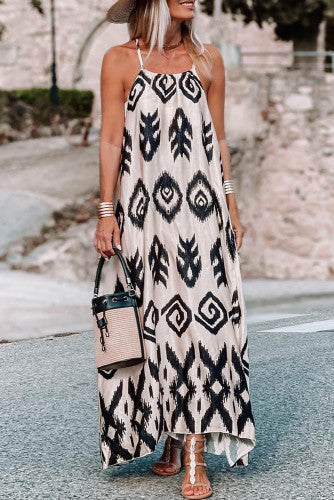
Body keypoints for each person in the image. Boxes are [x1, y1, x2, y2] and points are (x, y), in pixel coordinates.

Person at [94, 1, 256, 498]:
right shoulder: (120, 60)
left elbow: (220, 139)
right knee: (156, 324)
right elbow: (111, 140)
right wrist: (106, 213)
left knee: (205, 326)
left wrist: (231, 205)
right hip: (145, 217)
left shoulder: (208, 61)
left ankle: (194, 450)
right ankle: (168, 431)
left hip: (203, 213)